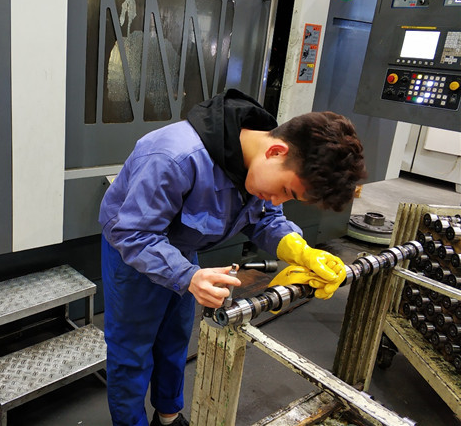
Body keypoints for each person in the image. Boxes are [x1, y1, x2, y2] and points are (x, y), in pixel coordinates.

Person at [98, 89, 367, 426]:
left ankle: (168, 417)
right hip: (134, 251)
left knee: (174, 337)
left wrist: (302, 252)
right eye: (286, 190)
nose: (278, 200)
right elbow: (134, 233)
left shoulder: (262, 162)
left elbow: (266, 218)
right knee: (132, 351)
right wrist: (188, 276)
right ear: (277, 151)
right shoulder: (174, 156)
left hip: (182, 250)